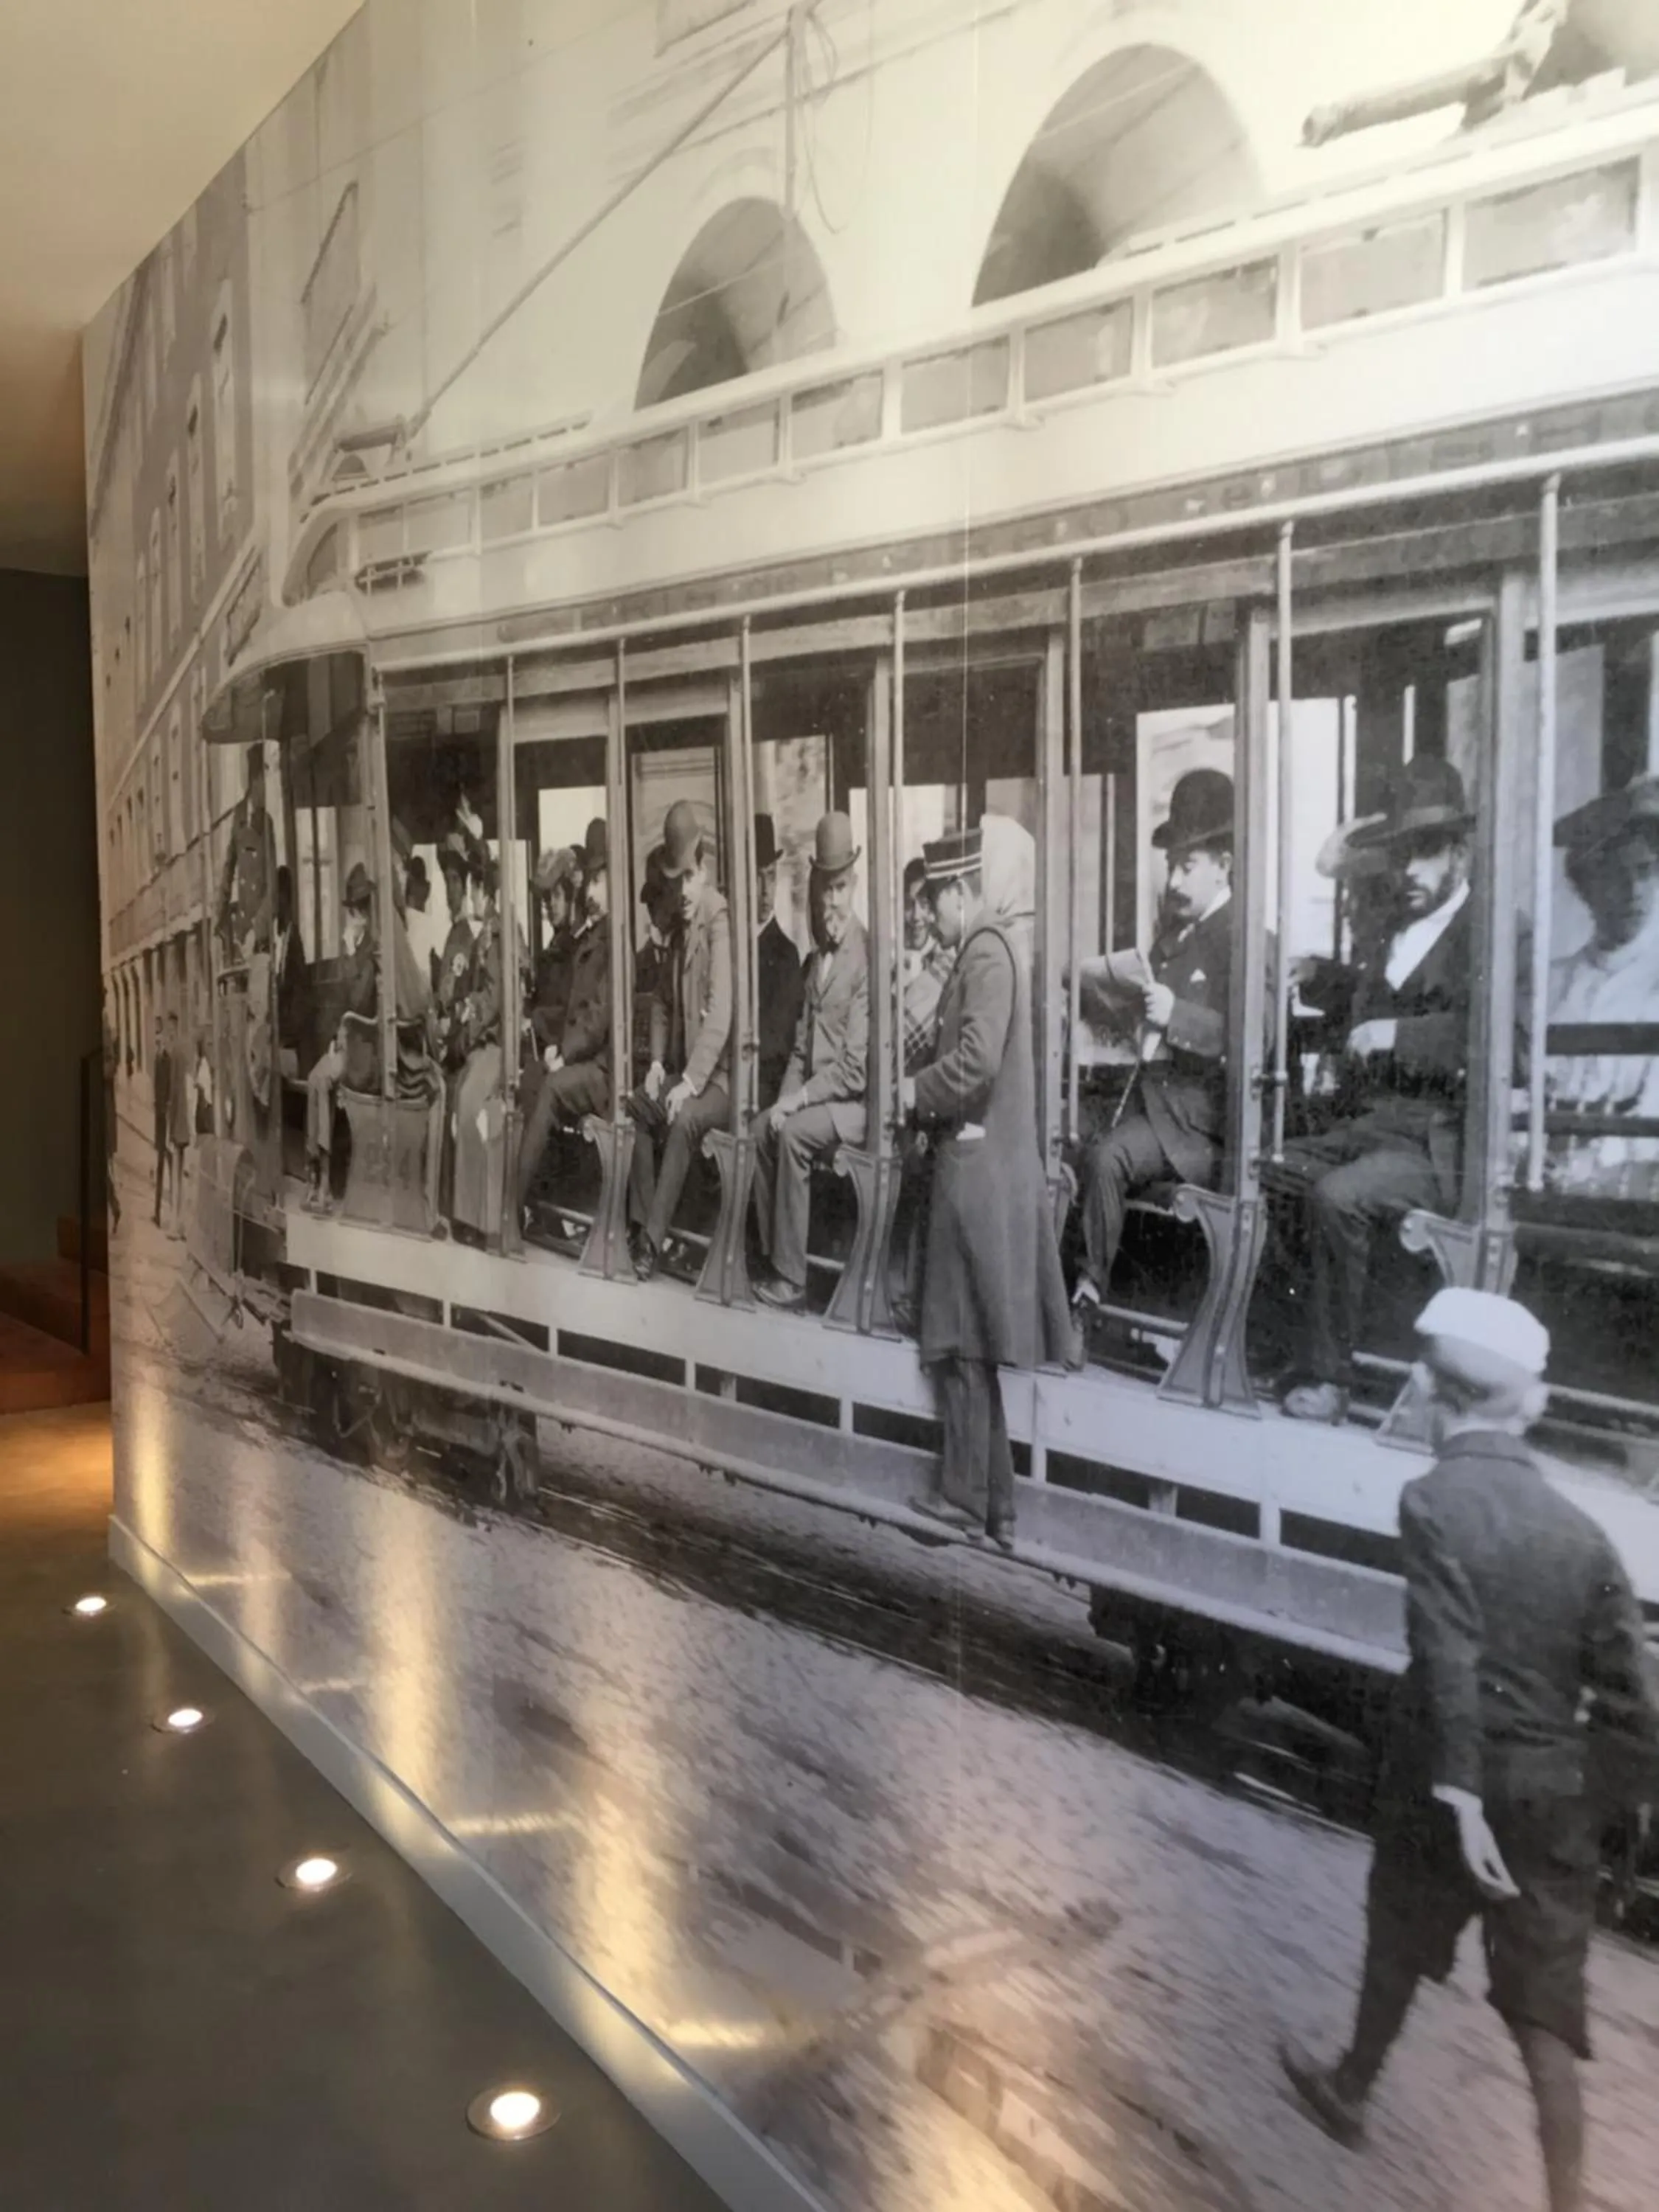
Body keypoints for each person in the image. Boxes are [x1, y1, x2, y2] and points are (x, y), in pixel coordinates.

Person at [1281, 1287, 1658, 2212]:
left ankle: (1350, 2090)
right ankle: (1569, 2200)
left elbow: (1447, 1657)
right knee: (1544, 2015)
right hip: (1549, 1801)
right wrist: (1583, 1805)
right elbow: (1637, 1711)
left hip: (1440, 1788)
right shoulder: (1582, 1532)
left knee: (1398, 1937)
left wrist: (1462, 1795)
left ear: (1431, 1390)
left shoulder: (1432, 1501)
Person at [1262, 757, 1484, 1423]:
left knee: (1337, 1197)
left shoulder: (1491, 934)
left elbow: (1504, 1039)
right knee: (1269, 1172)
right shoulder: (1395, 931)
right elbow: (1368, 997)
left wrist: (1398, 1039)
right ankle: (1295, 1342)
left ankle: (1332, 1379)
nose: (1408, 872)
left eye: (1424, 853)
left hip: (1435, 1141)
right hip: (1370, 1130)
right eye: (1400, 855)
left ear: (1459, 852)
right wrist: (1318, 974)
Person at [901, 829, 1077, 1549]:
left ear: (958, 893)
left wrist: (910, 1093)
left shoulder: (984, 952)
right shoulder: (989, 951)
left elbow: (974, 1064)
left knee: (962, 1340)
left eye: (933, 903)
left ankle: (965, 1499)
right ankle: (998, 1502)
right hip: (981, 1166)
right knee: (970, 1336)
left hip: (975, 1174)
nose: (930, 919)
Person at [1072, 768, 1236, 1316]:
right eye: (1173, 866)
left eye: (1188, 866)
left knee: (1108, 1157)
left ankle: (1089, 1294)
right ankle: (1063, 1280)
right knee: (1061, 1130)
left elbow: (1251, 1038)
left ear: (1223, 867)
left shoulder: (1243, 938)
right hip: (1147, 1103)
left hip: (1195, 1124)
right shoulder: (1173, 936)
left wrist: (1176, 1015)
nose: (1175, 881)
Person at [751, 813, 869, 1311]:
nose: (833, 900)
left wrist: (797, 1103)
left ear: (855, 886)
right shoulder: (818, 957)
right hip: (816, 1098)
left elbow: (855, 1071)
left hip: (854, 1105)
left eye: (841, 887)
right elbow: (800, 1048)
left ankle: (792, 1279)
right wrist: (781, 1104)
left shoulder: (865, 959)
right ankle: (767, 1255)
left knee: (794, 1134)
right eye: (826, 889)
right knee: (762, 1129)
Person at [1540, 776, 1659, 1200]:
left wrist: (1593, 1168)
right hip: (1542, 1183)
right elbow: (1518, 1098)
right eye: (1614, 875)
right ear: (1585, 886)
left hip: (1632, 1193)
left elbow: (1651, 1125)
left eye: (1645, 872)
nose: (1633, 892)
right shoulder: (1550, 985)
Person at [627, 799, 731, 1281]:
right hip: (687, 1073)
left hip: (720, 1082)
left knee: (685, 1117)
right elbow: (664, 1004)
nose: (684, 889)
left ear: (704, 868)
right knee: (639, 1106)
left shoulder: (717, 919)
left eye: (690, 877)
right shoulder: (682, 923)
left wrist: (688, 1081)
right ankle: (652, 1229)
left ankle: (649, 1242)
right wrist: (655, 1067)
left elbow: (722, 1011)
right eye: (678, 879)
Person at [516, 820, 613, 1219]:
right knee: (533, 1081)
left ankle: (515, 1202)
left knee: (551, 1085)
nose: (590, 893)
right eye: (588, 882)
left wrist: (565, 1053)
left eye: (597, 882)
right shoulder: (595, 936)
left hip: (606, 1070)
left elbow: (598, 1016)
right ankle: (533, 1201)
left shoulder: (612, 938)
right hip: (587, 1060)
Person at [303, 863, 378, 1213]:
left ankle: (324, 1179)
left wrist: (348, 954)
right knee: (315, 1077)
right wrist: (335, 1036)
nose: (348, 920)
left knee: (322, 1081)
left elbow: (360, 998)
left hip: (364, 1048)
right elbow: (341, 1004)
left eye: (352, 913)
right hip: (348, 1040)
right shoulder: (358, 951)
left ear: (362, 916)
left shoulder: (370, 953)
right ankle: (316, 1171)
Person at [754, 814, 804, 1112]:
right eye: (757, 876)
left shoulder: (786, 954)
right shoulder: (728, 947)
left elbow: (777, 1044)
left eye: (771, 876)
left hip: (765, 1089)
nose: (764, 889)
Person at [215, 742, 276, 962]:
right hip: (240, 929)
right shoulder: (238, 816)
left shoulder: (267, 824)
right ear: (255, 782)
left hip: (259, 933)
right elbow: (228, 868)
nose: (266, 789)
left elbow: (273, 888)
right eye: (264, 781)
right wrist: (219, 917)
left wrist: (257, 929)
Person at [272, 864, 311, 1079]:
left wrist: (285, 1033)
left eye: (275, 897)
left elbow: (300, 994)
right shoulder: (283, 939)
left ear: (284, 897)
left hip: (293, 1044)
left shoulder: (293, 941)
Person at [166, 1011, 192, 1237]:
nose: (168, 1033)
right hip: (185, 1121)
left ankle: (176, 1225)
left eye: (169, 1029)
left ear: (173, 1028)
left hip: (177, 1122)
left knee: (175, 1174)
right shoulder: (184, 1051)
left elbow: (174, 1092)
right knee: (181, 1172)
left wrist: (170, 1123)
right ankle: (181, 1224)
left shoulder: (174, 1052)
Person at [100, 987, 122, 1232]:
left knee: (101, 1163)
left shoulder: (104, 1024)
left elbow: (110, 1063)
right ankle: (115, 1207)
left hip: (103, 1107)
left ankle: (114, 1207)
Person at [151, 1012, 174, 1228]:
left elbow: (168, 1090)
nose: (158, 1042)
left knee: (161, 1159)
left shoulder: (166, 1060)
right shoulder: (158, 1058)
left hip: (164, 1116)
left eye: (160, 1039)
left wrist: (165, 1107)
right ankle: (157, 1211)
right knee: (159, 1157)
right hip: (158, 1116)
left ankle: (160, 1211)